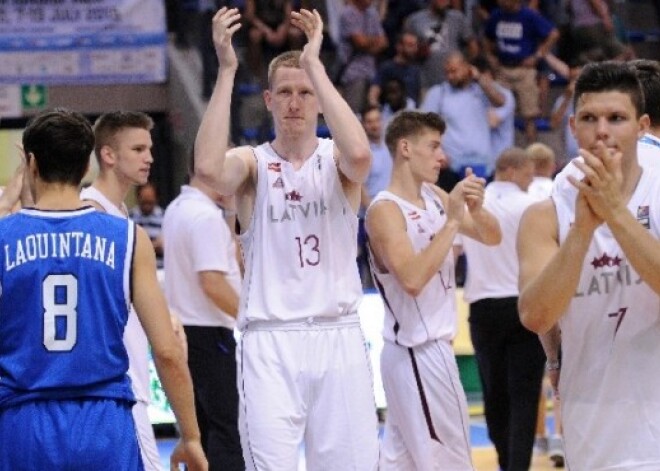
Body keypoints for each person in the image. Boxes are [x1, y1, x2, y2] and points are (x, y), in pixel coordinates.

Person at [194, 8, 379, 470]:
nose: (295, 103)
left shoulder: (337, 160)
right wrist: (226, 71)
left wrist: (316, 65)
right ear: (270, 100)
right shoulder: (252, 163)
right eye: (285, 93)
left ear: (319, 99)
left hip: (338, 335)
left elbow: (361, 154)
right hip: (270, 340)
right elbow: (207, 170)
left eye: (305, 93)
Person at [0, 108, 206, 470]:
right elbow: (169, 352)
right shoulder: (128, 238)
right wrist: (190, 435)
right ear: (86, 168)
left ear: (31, 165)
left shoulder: (3, 238)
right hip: (104, 422)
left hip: (24, 422)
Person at [518, 61, 660, 470]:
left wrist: (616, 213)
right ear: (572, 126)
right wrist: (582, 230)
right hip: (593, 432)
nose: (602, 130)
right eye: (589, 118)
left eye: (616, 118)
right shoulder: (545, 213)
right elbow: (535, 314)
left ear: (641, 125)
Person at [366, 110, 501, 470]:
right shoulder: (385, 210)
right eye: (435, 146)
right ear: (406, 148)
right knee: (452, 463)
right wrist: (454, 220)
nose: (443, 156)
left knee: (401, 463)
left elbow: (492, 236)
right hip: (417, 351)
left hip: (420, 352)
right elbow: (411, 279)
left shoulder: (433, 195)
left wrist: (475, 208)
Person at [81, 110, 183, 471]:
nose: (150, 157)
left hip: (118, 387)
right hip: (117, 389)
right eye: (138, 149)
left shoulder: (119, 212)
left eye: (150, 148)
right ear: (108, 155)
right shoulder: (94, 214)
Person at [459, 147, 545, 471]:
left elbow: (455, 250)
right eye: (526, 174)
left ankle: (503, 461)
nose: (529, 181)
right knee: (524, 395)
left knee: (494, 395)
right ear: (511, 170)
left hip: (483, 308)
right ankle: (517, 466)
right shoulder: (533, 206)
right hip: (524, 304)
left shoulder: (472, 206)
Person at [163, 159, 244, 468]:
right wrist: (248, 317)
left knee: (201, 431)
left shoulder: (177, 208)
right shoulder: (205, 217)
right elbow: (212, 282)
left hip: (188, 333)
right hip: (210, 335)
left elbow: (228, 262)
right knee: (227, 430)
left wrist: (233, 212)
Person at [421, 51, 505, 185]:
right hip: (452, 164)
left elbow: (500, 101)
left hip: (481, 162)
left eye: (454, 71)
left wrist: (478, 77)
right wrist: (438, 152)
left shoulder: (481, 89)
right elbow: (424, 127)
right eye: (447, 72)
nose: (450, 76)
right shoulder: (439, 93)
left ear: (467, 68)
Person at [484, 0, 559, 143]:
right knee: (498, 111)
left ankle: (531, 152)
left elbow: (553, 34)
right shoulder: (496, 16)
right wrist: (490, 57)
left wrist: (537, 56)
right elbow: (487, 38)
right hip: (503, 69)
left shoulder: (529, 15)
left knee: (529, 115)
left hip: (524, 71)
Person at [130, 182, 165, 268]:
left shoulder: (164, 217)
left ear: (156, 199)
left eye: (150, 202)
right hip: (136, 271)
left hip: (159, 269)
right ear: (138, 199)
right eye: (144, 202)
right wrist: (154, 246)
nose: (147, 206)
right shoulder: (129, 218)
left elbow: (168, 246)